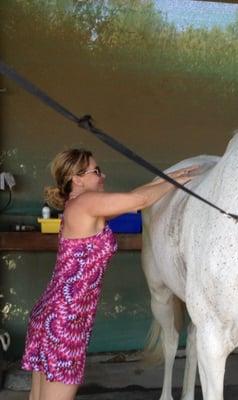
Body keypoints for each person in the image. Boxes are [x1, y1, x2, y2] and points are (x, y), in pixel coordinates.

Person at [21, 148, 198, 400]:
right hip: (65, 321)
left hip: (52, 315)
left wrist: (169, 178)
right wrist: (176, 181)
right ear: (77, 179)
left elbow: (134, 197)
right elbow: (139, 201)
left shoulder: (83, 206)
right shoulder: (85, 203)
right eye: (96, 171)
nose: (102, 175)